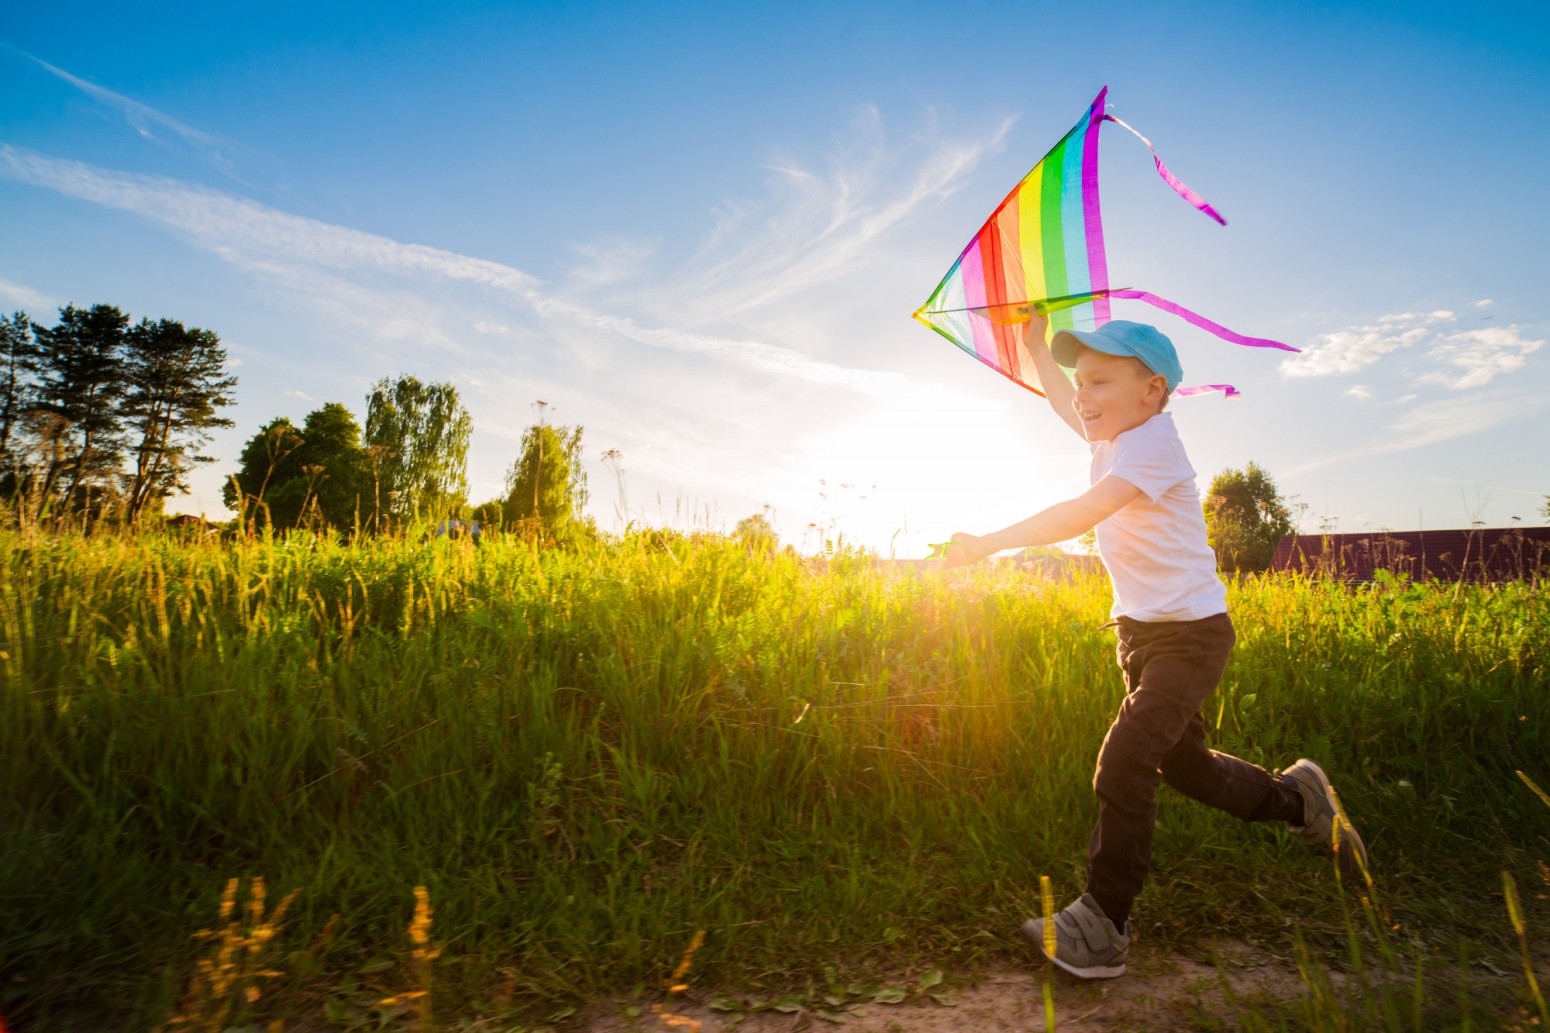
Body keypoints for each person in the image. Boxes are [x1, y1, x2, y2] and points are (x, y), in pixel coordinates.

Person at [940, 315, 1367, 980]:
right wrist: (1035, 347)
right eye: (1082, 380)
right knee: (1187, 769)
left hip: (1191, 637)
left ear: (1152, 390)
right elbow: (1061, 401)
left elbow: (1079, 515)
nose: (1083, 395)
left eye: (1100, 381)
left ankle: (1102, 924)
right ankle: (1297, 800)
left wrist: (988, 543)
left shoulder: (1155, 446)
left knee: (1125, 762)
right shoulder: (1113, 437)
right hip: (1140, 636)